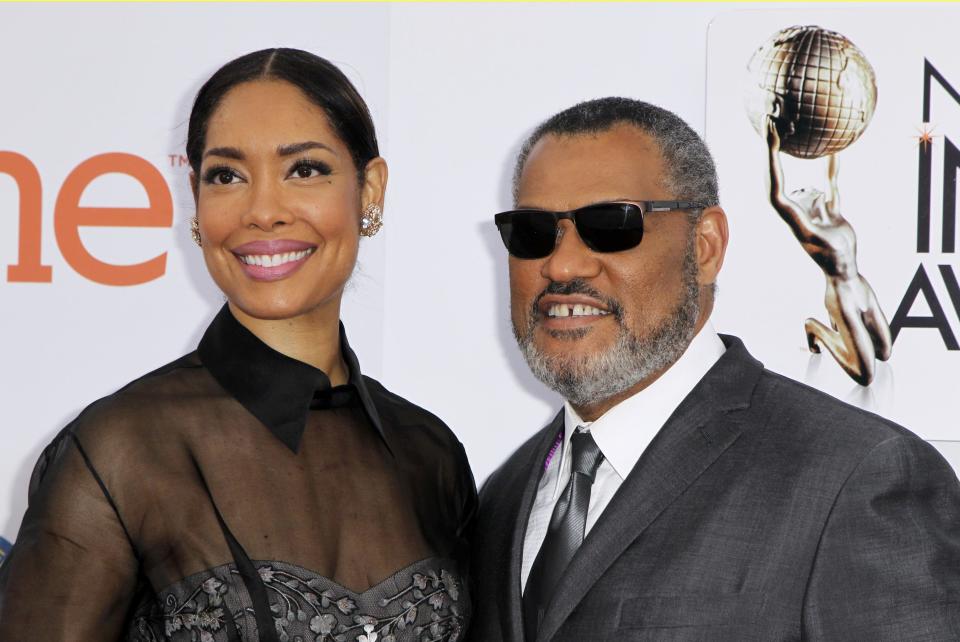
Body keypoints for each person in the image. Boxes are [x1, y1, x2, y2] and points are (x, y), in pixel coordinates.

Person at [0, 48, 475, 642]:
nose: (263, 212)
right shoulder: (118, 453)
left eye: (304, 170)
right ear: (196, 201)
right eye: (227, 176)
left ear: (370, 189)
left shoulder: (430, 455)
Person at [472, 97, 960, 641]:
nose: (561, 265)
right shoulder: (504, 495)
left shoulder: (855, 480)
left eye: (610, 226)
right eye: (532, 232)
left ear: (704, 247)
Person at [766, 115, 892, 386]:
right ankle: (817, 328)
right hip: (841, 296)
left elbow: (832, 173)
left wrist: (839, 130)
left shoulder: (834, 212)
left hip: (862, 287)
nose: (808, 187)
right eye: (800, 190)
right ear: (800, 209)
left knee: (885, 351)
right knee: (866, 375)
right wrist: (772, 148)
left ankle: (839, 334)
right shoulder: (811, 233)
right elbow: (777, 197)